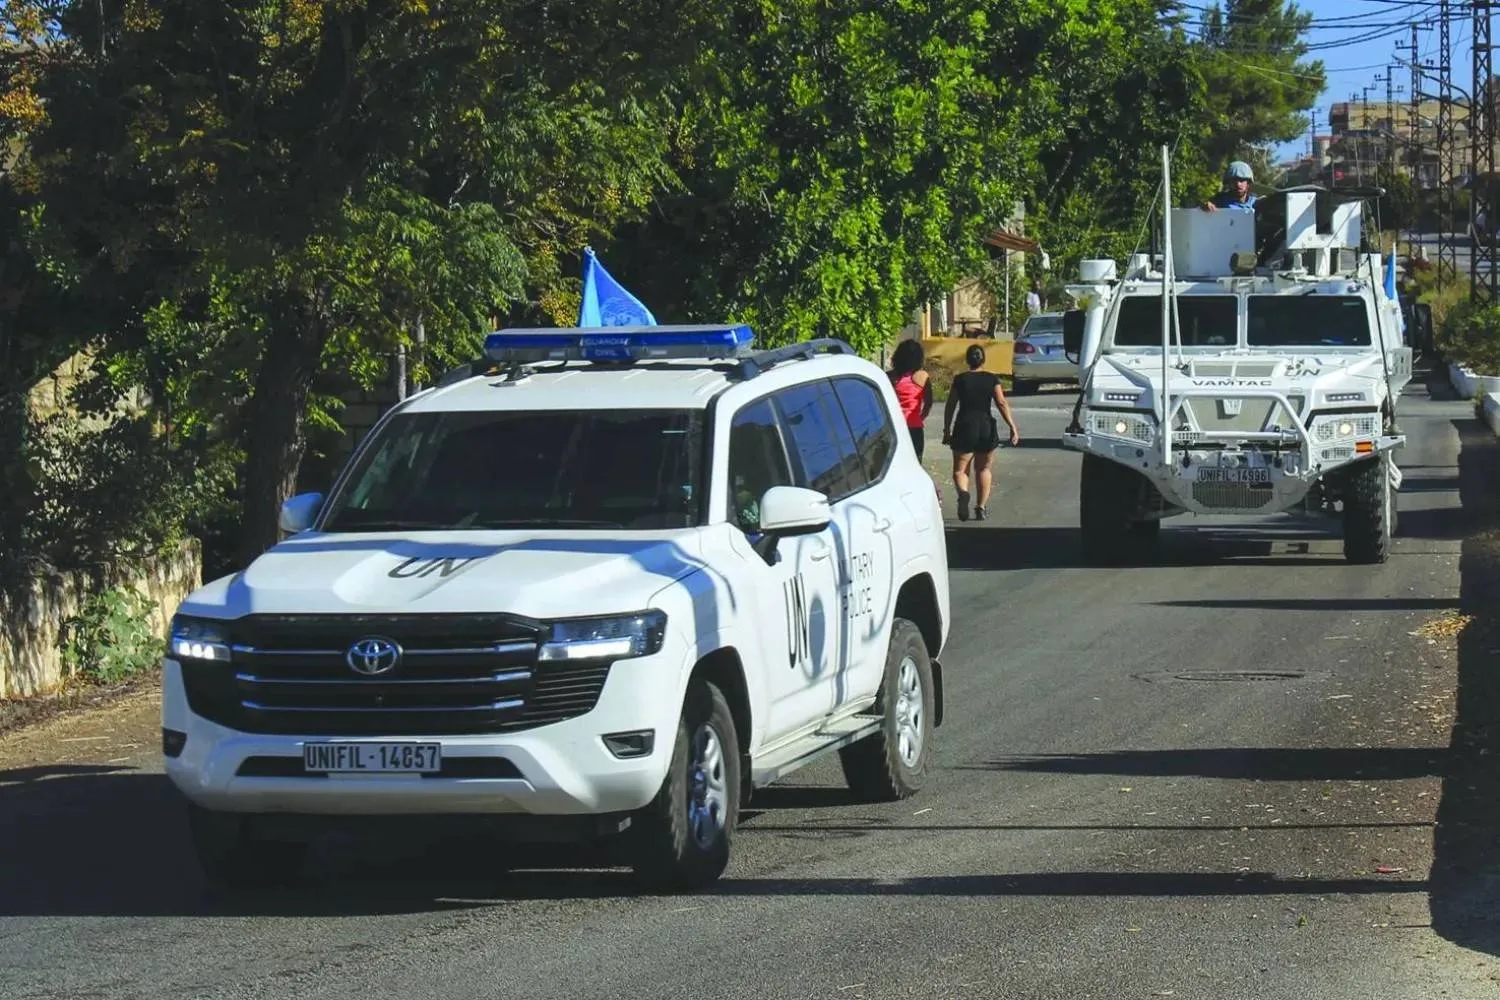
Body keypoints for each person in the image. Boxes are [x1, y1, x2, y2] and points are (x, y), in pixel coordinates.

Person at [942, 344, 1020, 522]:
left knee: (960, 470)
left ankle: (963, 493)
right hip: (985, 426)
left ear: (967, 360)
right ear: (983, 360)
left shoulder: (960, 379)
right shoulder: (991, 379)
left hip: (964, 426)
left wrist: (947, 430)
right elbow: (1001, 403)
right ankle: (981, 507)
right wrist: (1012, 427)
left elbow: (951, 405)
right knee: (984, 468)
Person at [887, 339, 934, 459]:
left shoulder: (889, 377)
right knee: (915, 463)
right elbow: (928, 403)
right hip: (914, 427)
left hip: (893, 427)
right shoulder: (922, 376)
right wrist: (920, 417)